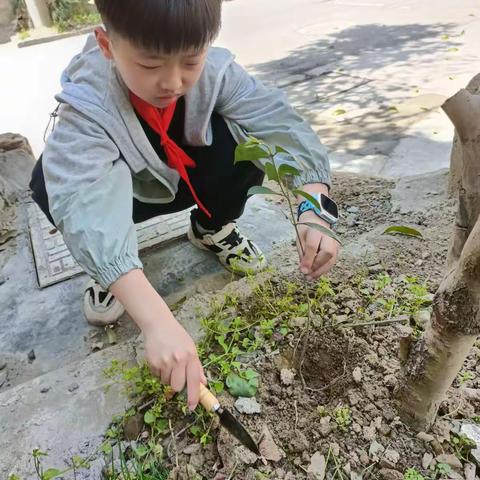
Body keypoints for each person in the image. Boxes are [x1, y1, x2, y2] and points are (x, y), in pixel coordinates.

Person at [29, 0, 340, 411]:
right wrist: (157, 322)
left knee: (243, 138)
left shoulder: (216, 72)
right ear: (106, 45)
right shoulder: (87, 104)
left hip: (188, 177)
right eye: (150, 64)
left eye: (190, 62)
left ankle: (212, 227)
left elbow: (279, 123)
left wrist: (315, 208)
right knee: (53, 186)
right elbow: (82, 204)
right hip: (124, 197)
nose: (172, 82)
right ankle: (115, 271)